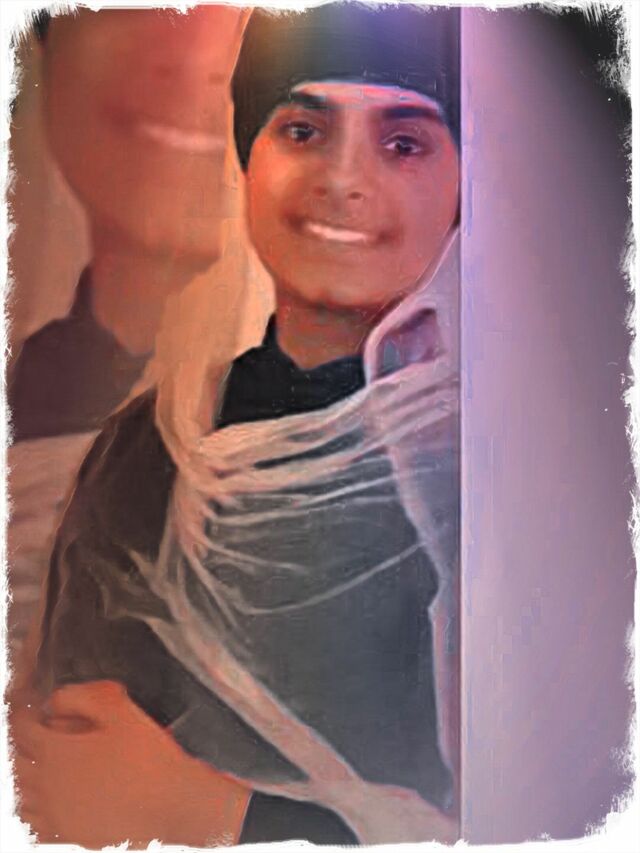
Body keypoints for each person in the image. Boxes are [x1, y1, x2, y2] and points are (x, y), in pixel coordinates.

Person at [10, 4, 461, 847]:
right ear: (246, 156)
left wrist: (214, 813)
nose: (343, 180)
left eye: (404, 143)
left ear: (466, 185)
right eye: (301, 131)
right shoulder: (146, 445)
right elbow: (60, 757)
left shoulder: (490, 471)